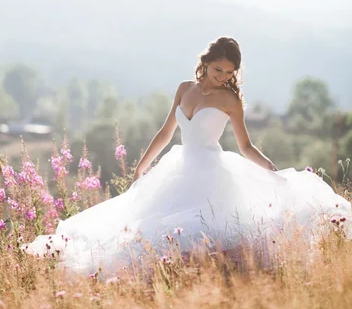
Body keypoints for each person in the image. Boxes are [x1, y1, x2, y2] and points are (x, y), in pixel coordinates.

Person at [22, 37, 352, 275]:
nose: (223, 76)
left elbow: (246, 146)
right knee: (144, 227)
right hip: (178, 167)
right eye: (218, 69)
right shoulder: (184, 89)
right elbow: (166, 132)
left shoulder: (230, 101)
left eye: (229, 72)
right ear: (205, 63)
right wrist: (142, 165)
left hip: (212, 171)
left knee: (205, 231)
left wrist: (271, 170)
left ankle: (210, 279)